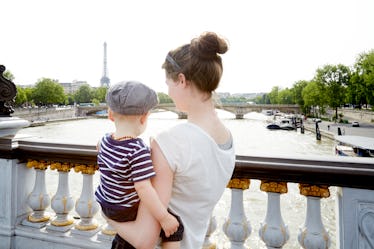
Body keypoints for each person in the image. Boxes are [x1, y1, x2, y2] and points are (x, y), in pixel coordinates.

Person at [107, 31, 236, 249]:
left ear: (182, 80)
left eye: (168, 83)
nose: (167, 91)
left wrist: (107, 215)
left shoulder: (170, 142)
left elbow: (143, 240)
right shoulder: (228, 141)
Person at [95, 81, 183, 249]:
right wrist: (164, 217)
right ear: (144, 118)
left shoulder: (105, 140)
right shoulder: (138, 149)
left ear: (110, 115)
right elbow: (143, 188)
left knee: (128, 235)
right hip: (124, 209)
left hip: (106, 203)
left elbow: (98, 145)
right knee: (176, 227)